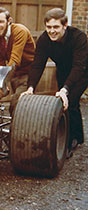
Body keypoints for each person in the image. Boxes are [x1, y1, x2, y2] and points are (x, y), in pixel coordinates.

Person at [21, 8, 88, 156]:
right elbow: (38, 65)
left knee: (71, 100)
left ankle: (70, 141)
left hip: (82, 71)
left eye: (56, 27)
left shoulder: (79, 37)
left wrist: (65, 89)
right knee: (64, 104)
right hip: (63, 70)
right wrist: (31, 87)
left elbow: (79, 66)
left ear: (65, 25)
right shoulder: (44, 40)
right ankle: (79, 136)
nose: (52, 31)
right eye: (49, 27)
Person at [0, 6, 35, 115]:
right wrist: (1, 82)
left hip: (29, 72)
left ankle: (19, 131)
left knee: (17, 104)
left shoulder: (20, 31)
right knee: (18, 107)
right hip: (14, 73)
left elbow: (15, 60)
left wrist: (4, 80)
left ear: (9, 21)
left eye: (1, 22)